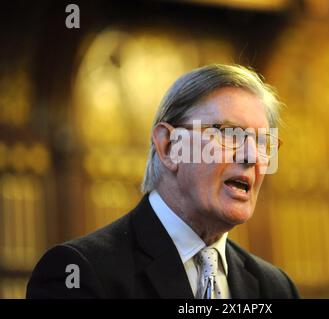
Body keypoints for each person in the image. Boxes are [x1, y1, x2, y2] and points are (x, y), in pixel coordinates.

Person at [26, 64, 299, 299]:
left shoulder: (275, 288)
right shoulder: (79, 273)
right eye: (229, 133)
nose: (252, 156)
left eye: (263, 142)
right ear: (169, 147)